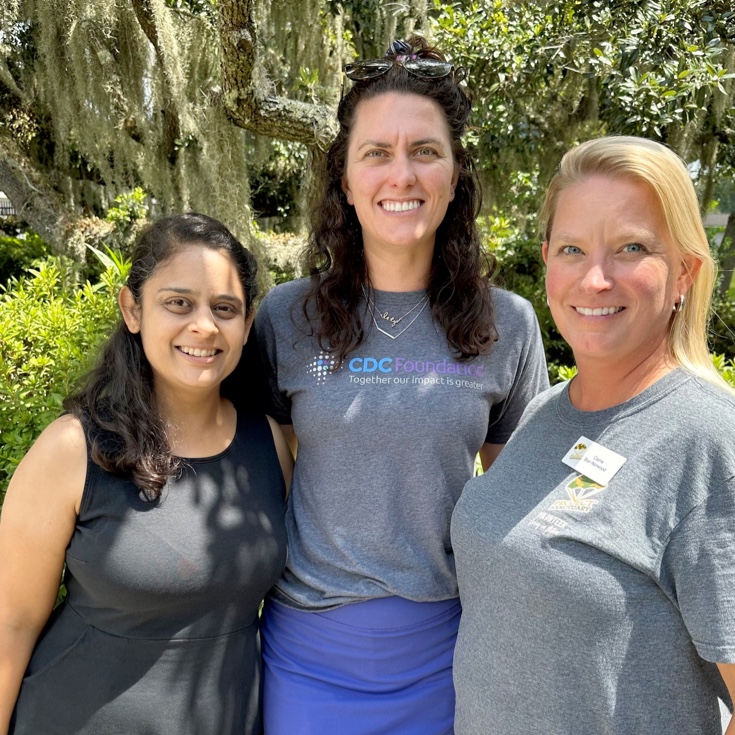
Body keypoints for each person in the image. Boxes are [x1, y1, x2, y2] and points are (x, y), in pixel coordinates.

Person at [252, 36, 549, 734]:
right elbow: (263, 480)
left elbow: (520, 509)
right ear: (346, 181)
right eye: (376, 154)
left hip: (448, 655)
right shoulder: (285, 317)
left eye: (425, 150)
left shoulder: (508, 323)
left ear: (453, 175)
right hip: (307, 656)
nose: (401, 174)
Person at [452, 136, 735, 735]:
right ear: (549, 257)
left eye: (632, 248)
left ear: (685, 271)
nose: (596, 279)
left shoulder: (709, 441)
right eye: (574, 249)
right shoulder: (545, 413)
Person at [0, 213, 292, 735]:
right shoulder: (72, 449)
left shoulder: (269, 442)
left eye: (224, 308)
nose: (203, 325)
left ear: (247, 327)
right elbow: (11, 625)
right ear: (132, 309)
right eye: (178, 302)